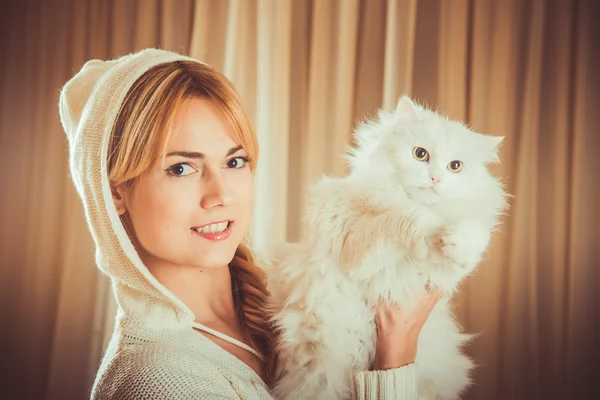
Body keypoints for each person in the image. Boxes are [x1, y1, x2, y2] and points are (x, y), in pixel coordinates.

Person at [58, 48, 443, 399]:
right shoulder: (157, 379)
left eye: (234, 161)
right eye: (181, 168)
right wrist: (395, 354)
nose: (220, 195)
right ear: (115, 193)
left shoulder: (288, 295)